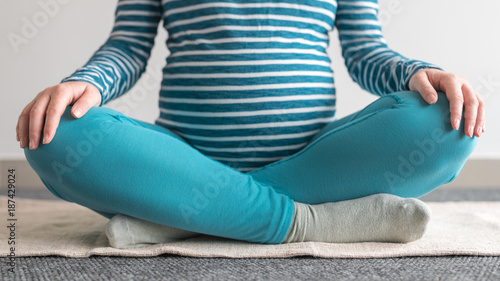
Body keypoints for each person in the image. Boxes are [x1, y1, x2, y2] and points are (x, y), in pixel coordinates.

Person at [18, 0, 483, 248]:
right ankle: (307, 222)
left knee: (445, 119)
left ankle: (187, 218)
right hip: (183, 159)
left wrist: (416, 73)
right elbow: (127, 46)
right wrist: (86, 84)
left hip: (312, 160)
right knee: (54, 134)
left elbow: (365, 51)